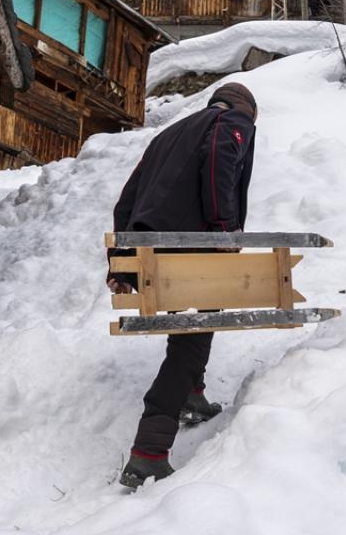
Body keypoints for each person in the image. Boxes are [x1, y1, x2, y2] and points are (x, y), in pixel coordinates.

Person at [107, 83, 258, 489]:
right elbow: (217, 165)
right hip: (193, 244)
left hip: (155, 249)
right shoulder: (233, 121)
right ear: (247, 110)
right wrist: (224, 229)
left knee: (194, 322)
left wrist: (121, 265)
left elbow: (127, 201)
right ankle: (148, 453)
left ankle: (192, 393)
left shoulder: (168, 134)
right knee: (194, 333)